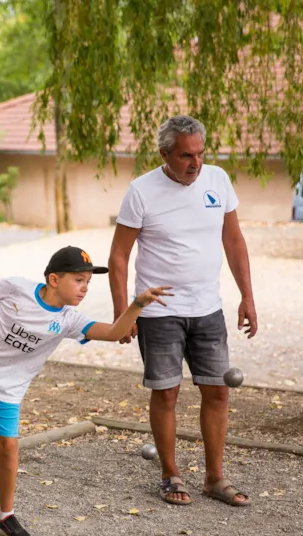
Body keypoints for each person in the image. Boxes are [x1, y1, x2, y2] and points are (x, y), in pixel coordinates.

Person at [0, 246, 173, 536]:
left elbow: (112, 333)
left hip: (8, 387)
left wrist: (137, 304)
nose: (84, 288)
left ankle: (5, 515)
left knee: (9, 447)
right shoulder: (18, 289)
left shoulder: (69, 319)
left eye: (88, 282)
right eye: (78, 280)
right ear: (54, 279)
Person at [108, 115, 258, 507]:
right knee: (167, 392)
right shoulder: (141, 191)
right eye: (186, 156)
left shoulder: (217, 180)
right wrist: (124, 314)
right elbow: (119, 256)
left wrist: (248, 296)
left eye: (201, 154)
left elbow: (234, 240)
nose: (196, 163)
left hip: (208, 307)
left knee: (218, 392)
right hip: (158, 310)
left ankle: (215, 478)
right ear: (165, 154)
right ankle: (170, 475)